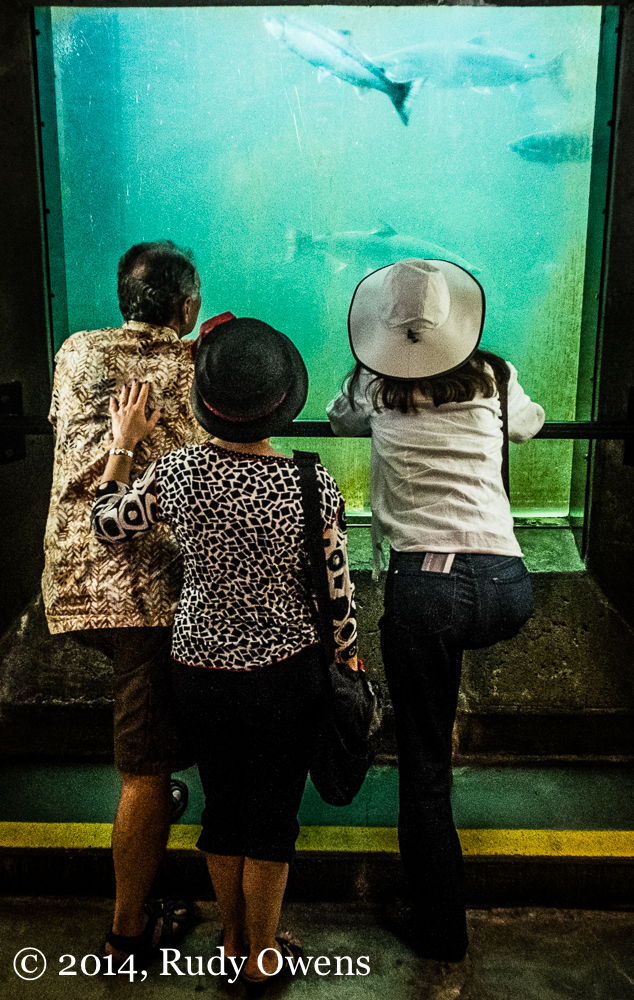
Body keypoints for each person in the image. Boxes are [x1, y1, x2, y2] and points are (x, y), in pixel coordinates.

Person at [90, 315, 358, 992]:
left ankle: (233, 938)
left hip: (197, 669)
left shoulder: (177, 472)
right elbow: (337, 593)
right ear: (281, 402)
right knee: (271, 818)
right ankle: (262, 955)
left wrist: (123, 445)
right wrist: (348, 659)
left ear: (206, 401)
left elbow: (107, 525)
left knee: (223, 810)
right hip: (285, 674)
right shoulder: (311, 483)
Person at [327, 258, 545, 997]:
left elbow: (339, 419)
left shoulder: (373, 383)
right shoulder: (495, 374)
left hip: (425, 589)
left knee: (425, 771)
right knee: (437, 727)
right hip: (507, 585)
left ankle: (440, 925)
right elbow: (529, 426)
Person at [42, 240, 207, 964]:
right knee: (145, 769)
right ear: (187, 307)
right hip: (144, 598)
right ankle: (127, 931)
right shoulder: (193, 369)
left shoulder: (75, 351)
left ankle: (154, 812)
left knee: (153, 750)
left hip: (69, 585)